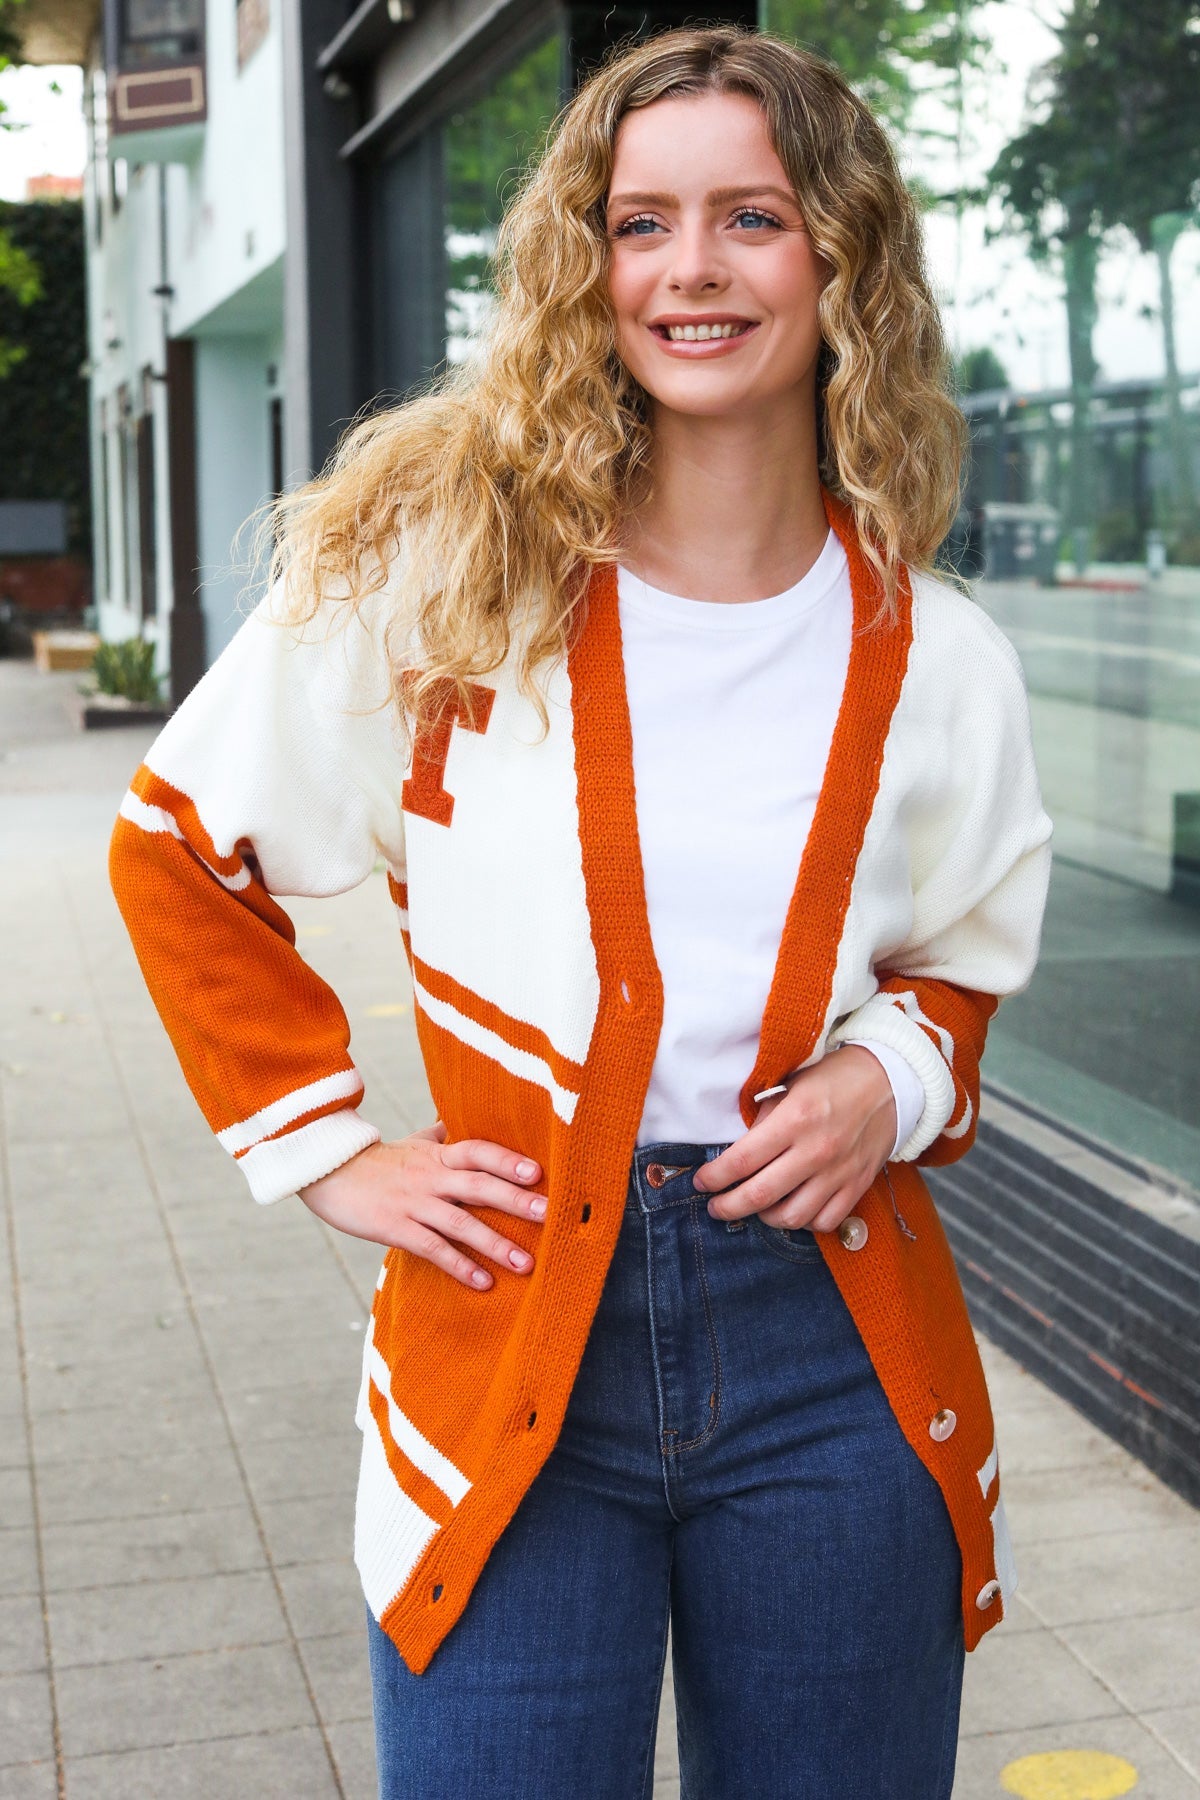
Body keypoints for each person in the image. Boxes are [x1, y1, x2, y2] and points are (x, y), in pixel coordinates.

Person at [110, 25, 1052, 1799]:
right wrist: (329, 1150)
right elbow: (176, 848)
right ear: (584, 265)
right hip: (507, 1335)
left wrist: (886, 1088)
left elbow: (957, 968)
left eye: (752, 217)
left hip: (833, 1353)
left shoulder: (941, 659)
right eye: (642, 224)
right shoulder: (445, 588)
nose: (691, 269)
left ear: (842, 259)